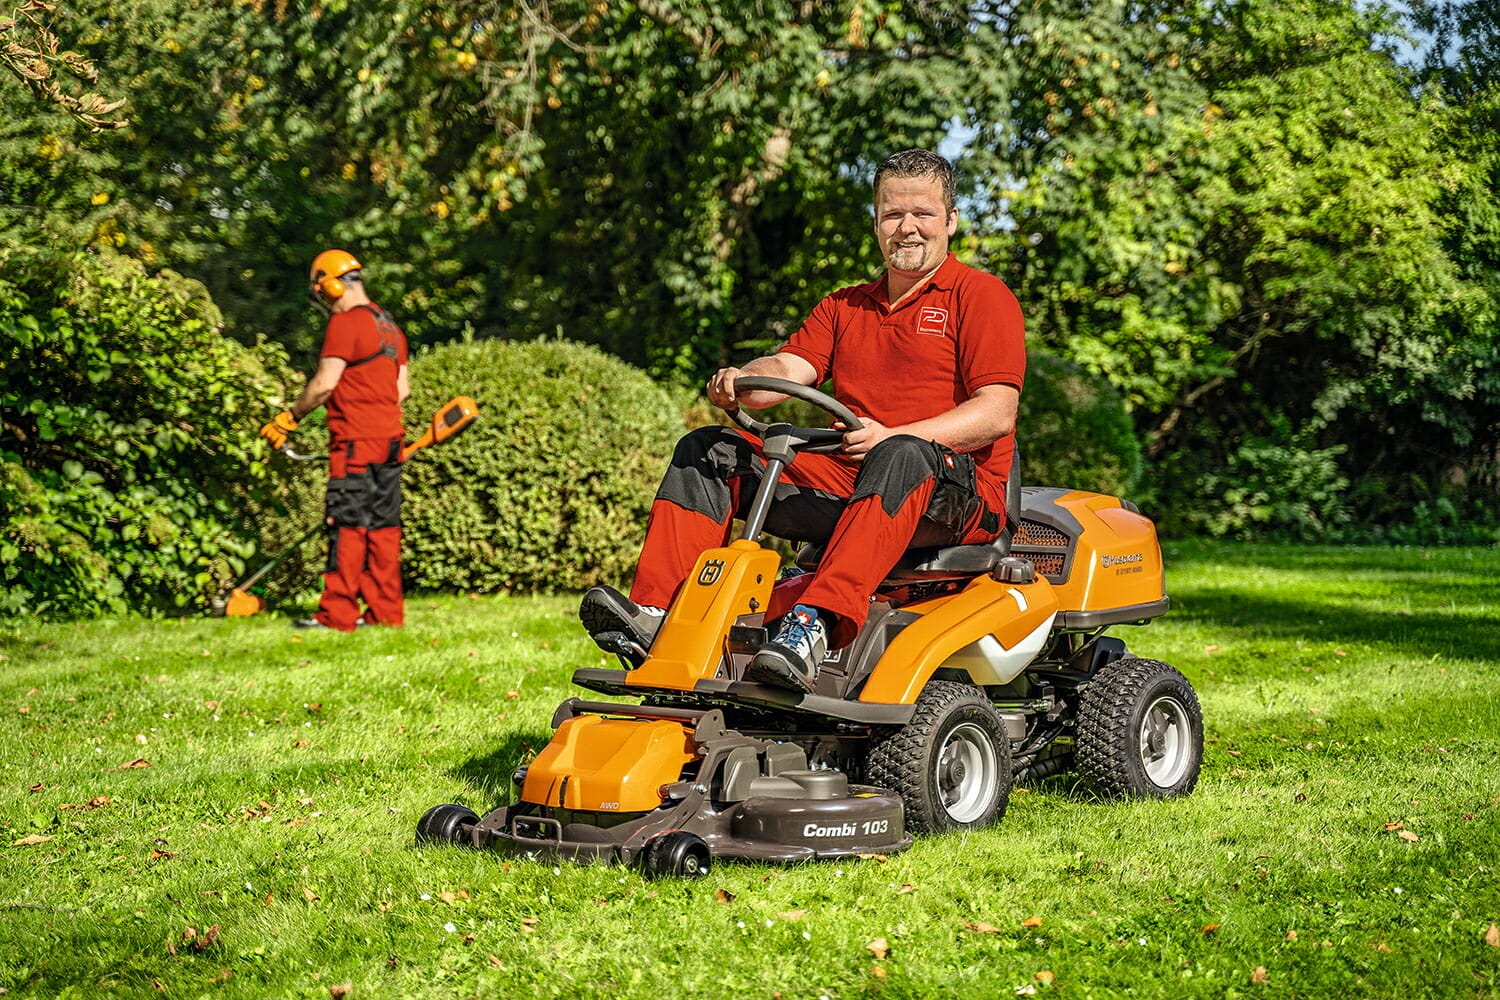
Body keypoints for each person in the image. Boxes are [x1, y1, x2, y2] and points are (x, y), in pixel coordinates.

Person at [580, 148, 1025, 691]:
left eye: (923, 214)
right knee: (711, 450)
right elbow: (788, 368)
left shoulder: (980, 295)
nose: (906, 228)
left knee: (900, 452)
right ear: (876, 222)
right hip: (857, 482)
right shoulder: (844, 307)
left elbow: (997, 413)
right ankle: (657, 616)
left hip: (958, 495)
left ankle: (812, 625)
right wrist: (743, 377)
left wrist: (894, 435)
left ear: (950, 221)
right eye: (892, 215)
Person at [258, 249, 410, 632]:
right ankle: (385, 614)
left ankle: (337, 615)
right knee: (383, 527)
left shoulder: (345, 323)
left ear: (330, 284)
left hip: (355, 443)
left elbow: (325, 385)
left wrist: (289, 417)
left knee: (346, 526)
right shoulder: (390, 326)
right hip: (389, 442)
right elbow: (402, 390)